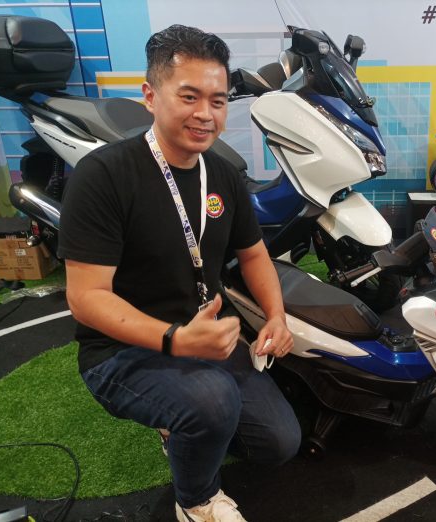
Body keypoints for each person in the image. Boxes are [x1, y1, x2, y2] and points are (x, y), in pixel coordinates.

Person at [58, 24, 301, 522]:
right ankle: (196, 501)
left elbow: (254, 254)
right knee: (211, 403)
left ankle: (183, 420)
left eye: (218, 100)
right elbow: (85, 298)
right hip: (120, 351)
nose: (205, 114)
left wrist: (276, 316)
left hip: (204, 338)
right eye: (189, 97)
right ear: (150, 96)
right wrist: (174, 340)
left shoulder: (223, 174)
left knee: (278, 443)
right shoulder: (103, 176)